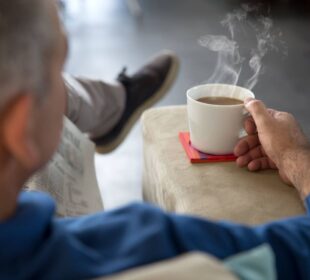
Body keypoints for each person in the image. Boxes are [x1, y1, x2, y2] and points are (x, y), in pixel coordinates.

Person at [1, 1, 310, 280]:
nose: (66, 88)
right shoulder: (148, 246)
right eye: (61, 71)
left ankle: (113, 106)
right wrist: (294, 155)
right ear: (21, 126)